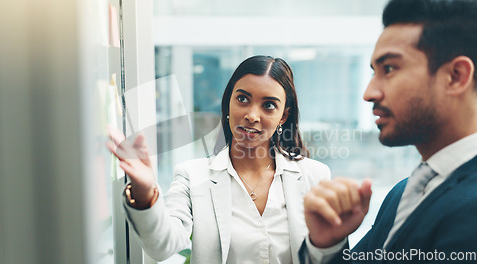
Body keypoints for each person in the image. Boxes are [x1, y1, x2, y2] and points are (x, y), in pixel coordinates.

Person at [299, 0, 477, 263]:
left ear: (455, 76)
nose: (369, 93)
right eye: (374, 72)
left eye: (389, 69)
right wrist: (327, 245)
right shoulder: (404, 192)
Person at [107, 55, 331, 263]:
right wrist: (145, 193)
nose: (252, 115)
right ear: (228, 104)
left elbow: (329, 254)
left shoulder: (315, 177)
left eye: (268, 105)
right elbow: (161, 246)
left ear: (283, 115)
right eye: (243, 99)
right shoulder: (192, 176)